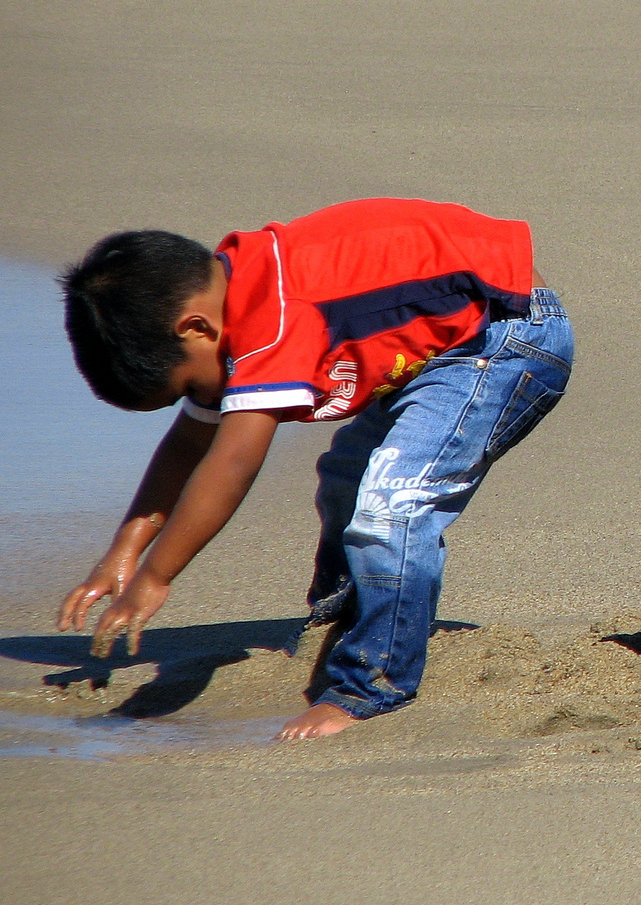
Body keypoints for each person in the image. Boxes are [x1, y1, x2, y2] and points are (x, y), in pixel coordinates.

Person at [55, 198, 572, 738]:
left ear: (196, 327)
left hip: (507, 338)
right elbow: (188, 444)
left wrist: (157, 574)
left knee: (389, 507)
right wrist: (124, 551)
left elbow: (231, 459)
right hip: (446, 339)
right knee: (346, 479)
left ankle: (374, 683)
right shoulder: (240, 287)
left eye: (188, 387)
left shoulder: (274, 317)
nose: (202, 401)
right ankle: (343, 617)